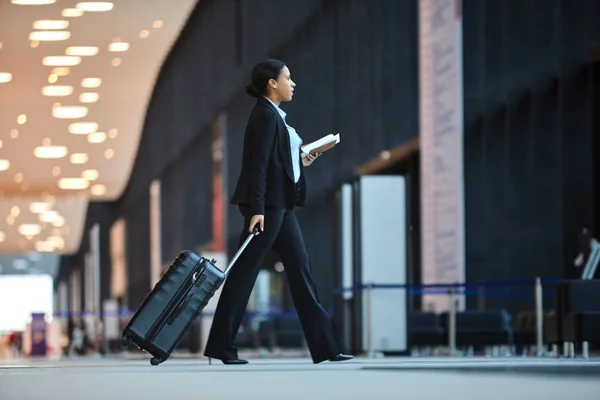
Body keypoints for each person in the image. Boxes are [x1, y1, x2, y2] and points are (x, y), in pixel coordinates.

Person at [203, 59, 353, 365]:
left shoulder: (275, 117)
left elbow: (276, 163)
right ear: (272, 83)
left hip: (280, 208)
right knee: (243, 277)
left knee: (301, 273)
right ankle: (221, 345)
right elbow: (256, 166)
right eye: (288, 77)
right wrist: (256, 209)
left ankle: (326, 347)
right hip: (267, 210)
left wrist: (303, 160)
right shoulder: (264, 116)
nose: (293, 83)